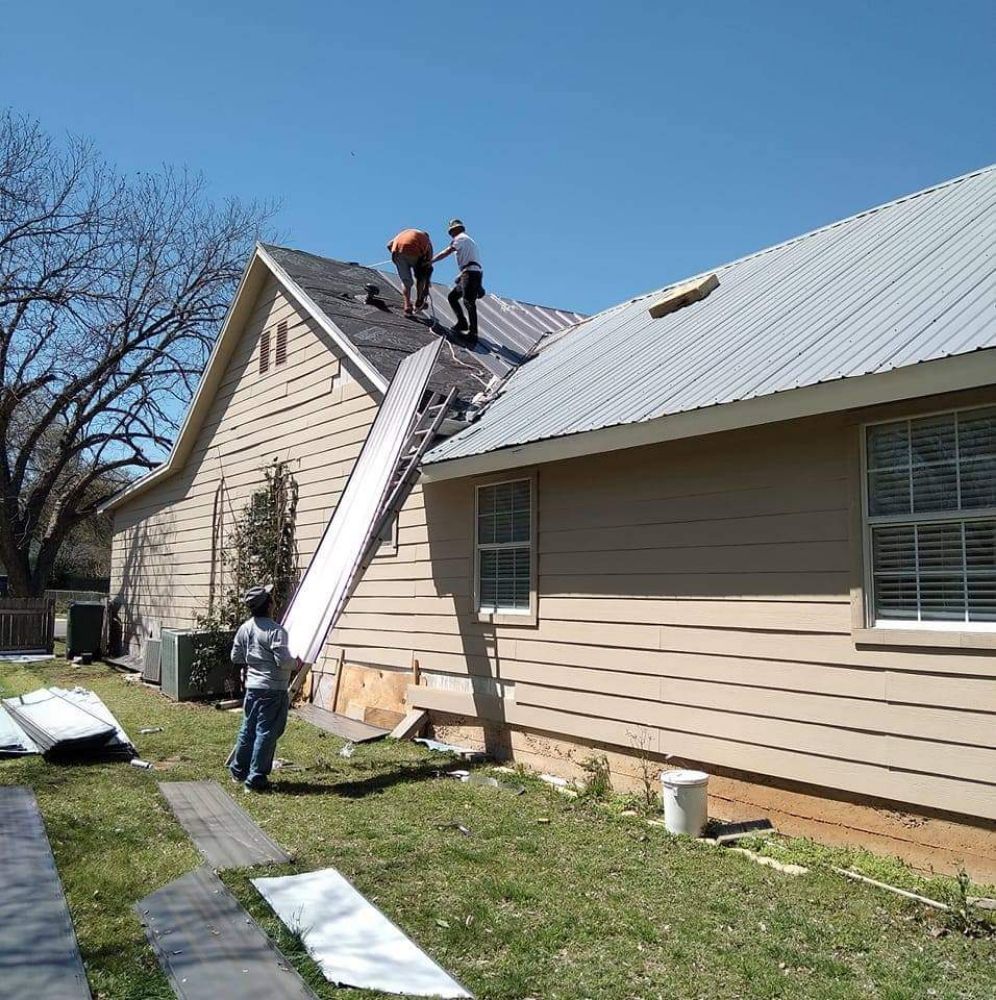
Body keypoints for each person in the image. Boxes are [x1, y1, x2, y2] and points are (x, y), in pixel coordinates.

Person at [227, 584, 300, 792]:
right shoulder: (276, 631)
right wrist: (297, 663)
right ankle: (256, 779)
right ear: (268, 605)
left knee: (248, 729)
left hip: (253, 688)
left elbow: (235, 656)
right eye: (271, 599)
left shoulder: (245, 628)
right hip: (273, 689)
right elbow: (283, 661)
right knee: (266, 732)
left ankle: (238, 772)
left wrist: (255, 659)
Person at [432, 219, 483, 343]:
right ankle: (462, 323)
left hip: (470, 274)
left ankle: (473, 333)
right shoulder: (469, 241)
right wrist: (461, 276)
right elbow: (472, 262)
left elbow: (447, 252)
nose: (451, 235)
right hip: (472, 273)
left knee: (468, 302)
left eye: (451, 232)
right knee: (453, 297)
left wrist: (431, 261)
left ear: (455, 230)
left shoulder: (460, 238)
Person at [387, 228, 434, 316]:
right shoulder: (427, 241)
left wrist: (398, 255)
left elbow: (389, 245)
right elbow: (429, 264)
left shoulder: (408, 232)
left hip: (397, 252)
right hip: (414, 252)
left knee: (406, 281)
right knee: (420, 278)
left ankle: (407, 306)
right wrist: (426, 287)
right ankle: (419, 301)